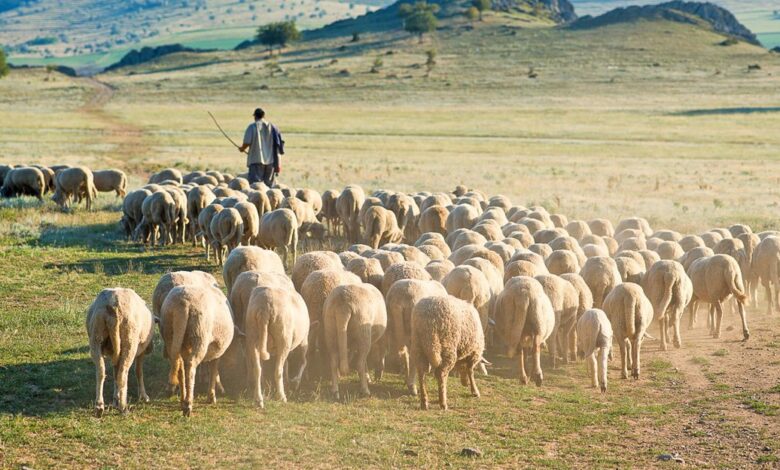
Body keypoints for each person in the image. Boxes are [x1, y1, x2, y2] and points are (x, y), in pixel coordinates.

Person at [238, 108, 284, 187]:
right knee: (269, 187)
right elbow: (279, 144)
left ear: (255, 116)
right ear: (264, 116)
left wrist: (242, 149)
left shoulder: (252, 127)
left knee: (255, 187)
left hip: (256, 161)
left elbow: (247, 142)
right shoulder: (273, 127)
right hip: (271, 162)